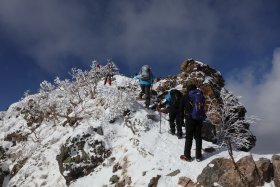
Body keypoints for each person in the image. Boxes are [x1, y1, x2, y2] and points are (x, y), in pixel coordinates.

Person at [180, 84, 207, 162]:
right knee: (198, 137)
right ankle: (198, 156)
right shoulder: (200, 95)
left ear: (188, 89)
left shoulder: (185, 97)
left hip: (189, 119)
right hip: (199, 119)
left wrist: (181, 120)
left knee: (189, 138)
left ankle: (187, 156)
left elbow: (181, 110)